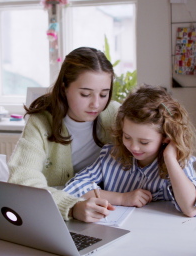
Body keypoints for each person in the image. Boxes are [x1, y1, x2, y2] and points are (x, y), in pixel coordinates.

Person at [8, 47, 120, 222]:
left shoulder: (114, 114)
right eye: (85, 94)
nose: (96, 104)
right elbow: (23, 181)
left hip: (109, 214)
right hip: (52, 215)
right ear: (64, 88)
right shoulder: (40, 121)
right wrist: (72, 206)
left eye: (104, 94)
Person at [63, 85, 196, 218]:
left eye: (144, 142)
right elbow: (73, 188)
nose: (134, 147)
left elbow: (191, 209)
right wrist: (122, 198)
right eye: (127, 137)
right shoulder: (111, 155)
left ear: (166, 137)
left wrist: (169, 157)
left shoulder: (178, 162)